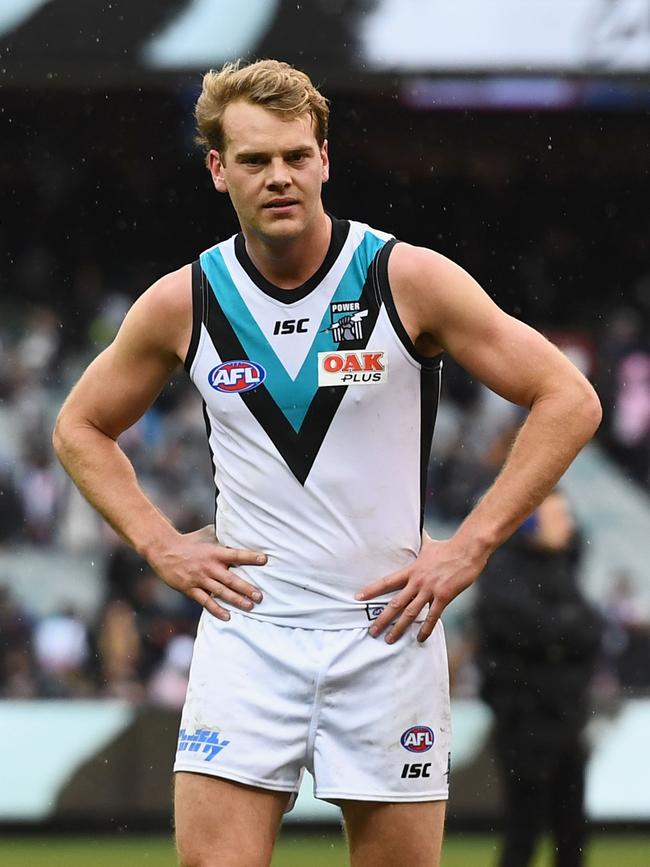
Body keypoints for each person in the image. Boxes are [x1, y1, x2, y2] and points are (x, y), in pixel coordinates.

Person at [52, 59, 601, 867]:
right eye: (253, 159)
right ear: (217, 169)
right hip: (250, 633)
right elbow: (79, 426)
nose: (279, 176)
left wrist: (470, 544)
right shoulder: (186, 299)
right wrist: (158, 542)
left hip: (387, 631)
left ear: (325, 159)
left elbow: (570, 398)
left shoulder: (404, 278)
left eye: (295, 155)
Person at [474, 490, 603, 867]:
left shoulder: (562, 569)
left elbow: (587, 631)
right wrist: (563, 634)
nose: (569, 525)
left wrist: (557, 635)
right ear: (529, 523)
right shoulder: (502, 571)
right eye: (558, 515)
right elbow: (531, 627)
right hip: (523, 721)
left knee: (572, 832)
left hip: (566, 719)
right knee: (523, 830)